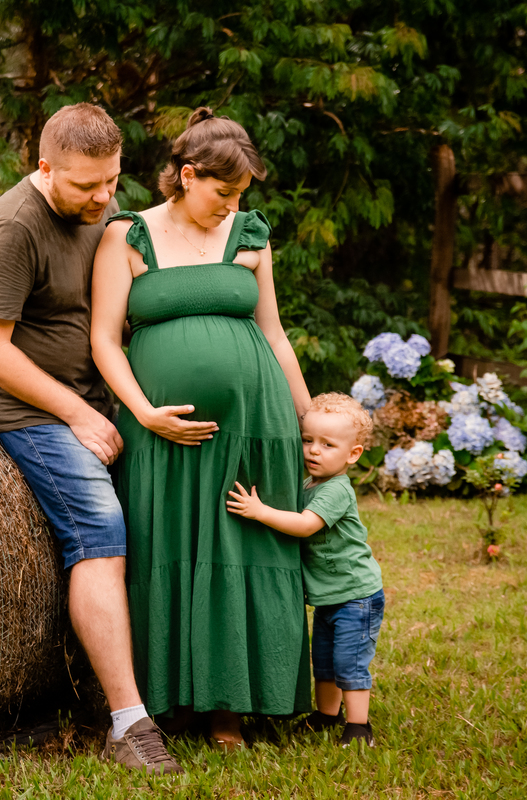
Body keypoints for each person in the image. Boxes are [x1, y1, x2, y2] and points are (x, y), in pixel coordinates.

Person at [0, 102, 182, 774]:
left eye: (113, 180)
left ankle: (180, 688)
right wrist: (78, 415)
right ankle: (129, 724)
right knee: (99, 527)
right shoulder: (12, 229)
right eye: (87, 185)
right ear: (45, 167)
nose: (104, 198)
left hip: (94, 400)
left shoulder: (98, 215)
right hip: (26, 409)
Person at [90, 107, 312, 748]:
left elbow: (274, 334)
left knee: (242, 545)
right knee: (167, 545)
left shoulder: (250, 235)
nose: (232, 205)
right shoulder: (127, 236)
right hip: (161, 431)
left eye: (240, 194)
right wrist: (143, 412)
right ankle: (169, 701)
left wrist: (305, 418)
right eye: (223, 191)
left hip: (253, 424)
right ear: (187, 176)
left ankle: (232, 707)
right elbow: (104, 339)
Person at [226, 392, 385, 747]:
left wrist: (260, 511)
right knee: (324, 661)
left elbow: (305, 525)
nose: (313, 451)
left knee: (349, 663)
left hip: (356, 597)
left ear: (353, 454)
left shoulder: (336, 490)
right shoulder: (309, 485)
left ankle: (359, 727)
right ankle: (327, 715)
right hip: (331, 597)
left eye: (328, 444)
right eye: (307, 440)